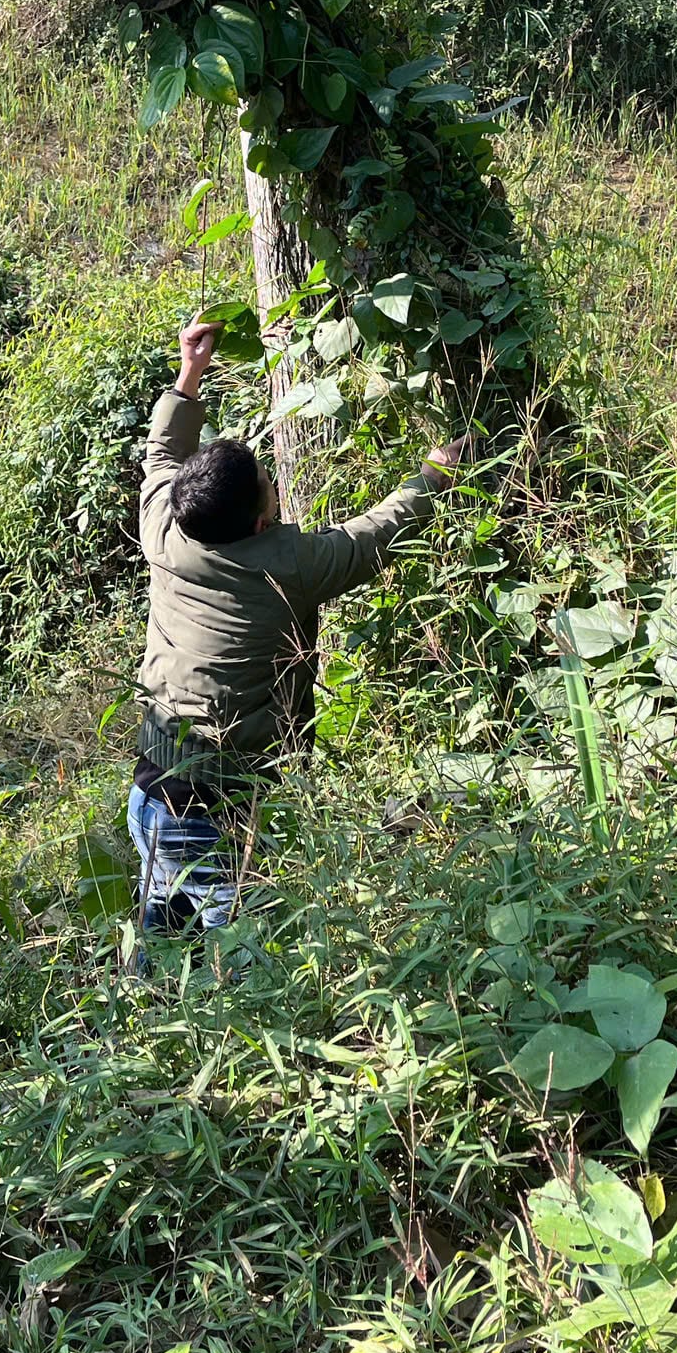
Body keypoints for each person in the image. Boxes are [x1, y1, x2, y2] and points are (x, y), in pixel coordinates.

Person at [130, 319, 470, 937]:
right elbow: (373, 536)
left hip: (151, 787)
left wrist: (190, 373)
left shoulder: (162, 526)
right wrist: (432, 476)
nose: (272, 482)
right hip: (219, 806)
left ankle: (142, 992)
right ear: (261, 523)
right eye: (268, 484)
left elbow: (161, 453)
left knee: (162, 922)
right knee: (236, 945)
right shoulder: (289, 565)